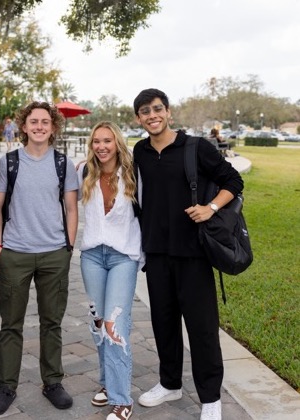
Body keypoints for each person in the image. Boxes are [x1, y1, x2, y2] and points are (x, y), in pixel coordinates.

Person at [132, 89, 244, 420]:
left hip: (193, 252)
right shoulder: (139, 151)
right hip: (156, 253)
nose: (152, 115)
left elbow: (233, 181)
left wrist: (211, 208)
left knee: (202, 328)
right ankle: (170, 384)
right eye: (144, 111)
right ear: (138, 118)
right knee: (163, 323)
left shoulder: (196, 147)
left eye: (157, 109)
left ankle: (210, 398)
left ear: (168, 112)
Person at [0, 101, 79, 415]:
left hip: (54, 254)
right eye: (33, 122)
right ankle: (6, 387)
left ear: (53, 128)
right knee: (11, 324)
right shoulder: (8, 162)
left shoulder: (63, 164)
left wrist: (68, 246)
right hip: (15, 254)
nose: (39, 127)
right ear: (24, 126)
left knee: (51, 323)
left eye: (45, 122)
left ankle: (52, 382)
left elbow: (71, 208)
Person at [77, 121, 144, 420]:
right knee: (98, 324)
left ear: (117, 142)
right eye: (96, 141)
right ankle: (106, 384)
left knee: (114, 326)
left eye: (107, 141)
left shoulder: (134, 174)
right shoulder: (84, 173)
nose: (101, 146)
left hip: (122, 257)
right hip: (91, 256)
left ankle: (122, 399)